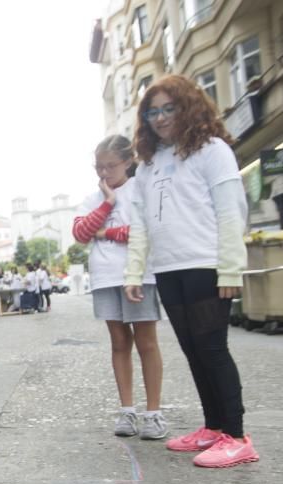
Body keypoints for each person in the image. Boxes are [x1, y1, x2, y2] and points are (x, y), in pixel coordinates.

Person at [124, 74, 258, 468]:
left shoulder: (212, 150)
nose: (161, 118)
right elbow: (141, 224)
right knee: (192, 350)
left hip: (206, 264)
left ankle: (237, 436)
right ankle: (214, 427)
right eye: (153, 112)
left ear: (187, 107)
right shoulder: (148, 165)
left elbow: (232, 211)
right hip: (169, 268)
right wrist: (135, 272)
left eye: (169, 109)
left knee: (213, 348)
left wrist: (232, 269)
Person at [73, 134, 167, 440]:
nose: (103, 173)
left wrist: (106, 233)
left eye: (110, 166)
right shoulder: (93, 198)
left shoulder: (141, 189)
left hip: (139, 274)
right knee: (118, 341)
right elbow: (81, 233)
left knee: (146, 342)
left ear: (128, 162)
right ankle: (127, 410)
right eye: (98, 167)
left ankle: (153, 413)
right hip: (105, 276)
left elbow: (146, 230)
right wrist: (107, 205)